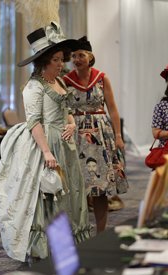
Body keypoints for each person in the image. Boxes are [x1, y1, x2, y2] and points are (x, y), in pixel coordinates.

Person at [0, 23, 91, 263]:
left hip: (65, 145)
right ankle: (43, 254)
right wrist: (46, 152)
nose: (61, 64)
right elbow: (34, 122)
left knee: (70, 194)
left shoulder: (59, 82)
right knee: (48, 197)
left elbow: (67, 110)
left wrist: (71, 124)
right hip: (45, 145)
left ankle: (67, 248)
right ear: (44, 61)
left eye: (61, 59)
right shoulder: (34, 87)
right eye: (56, 60)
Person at [63, 36, 128, 233]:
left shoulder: (102, 78)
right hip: (76, 134)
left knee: (100, 187)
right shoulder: (66, 82)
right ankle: (79, 230)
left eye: (81, 55)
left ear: (90, 57)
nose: (77, 59)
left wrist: (118, 136)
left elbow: (113, 109)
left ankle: (100, 231)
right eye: (73, 56)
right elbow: (63, 110)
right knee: (77, 186)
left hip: (101, 134)